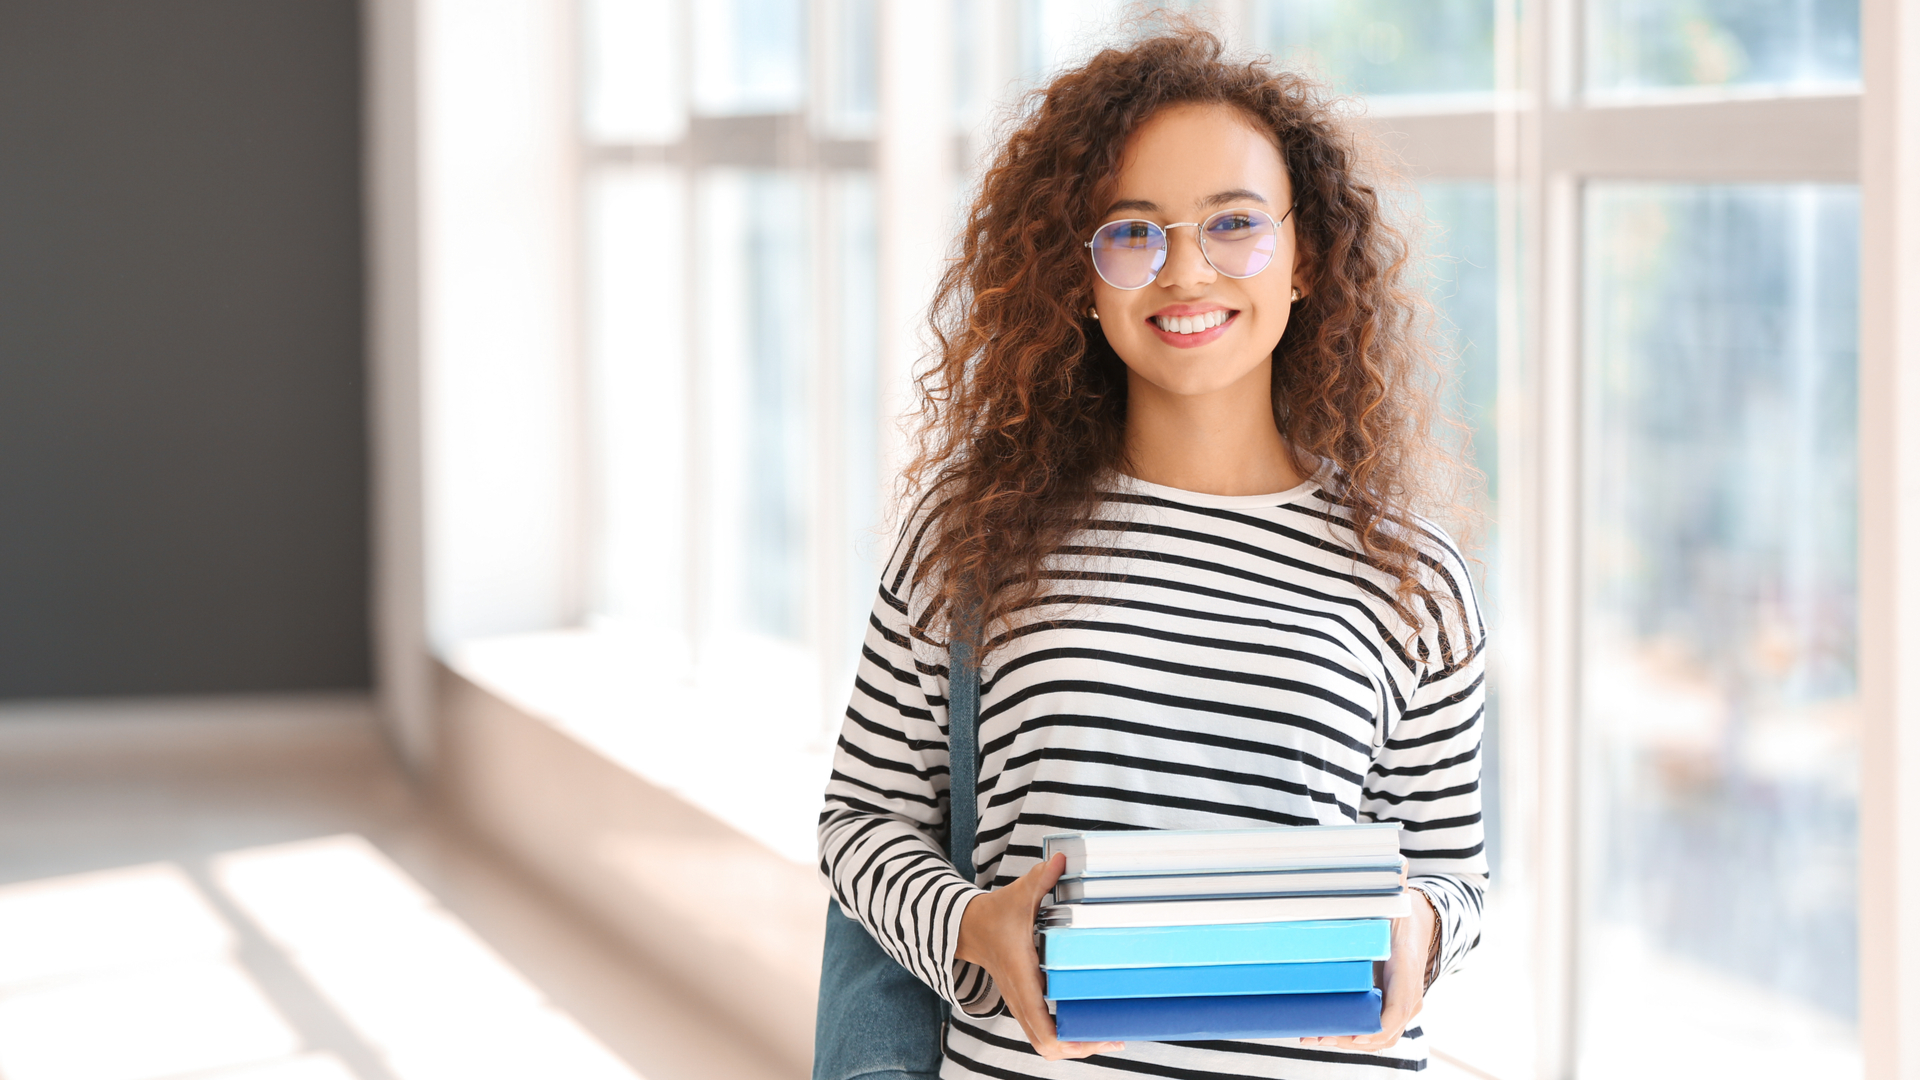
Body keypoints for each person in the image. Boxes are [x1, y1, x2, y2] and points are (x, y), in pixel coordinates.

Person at [817, 23, 1486, 1079]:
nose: (1185, 271)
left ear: (1305, 256)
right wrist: (969, 925)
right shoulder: (974, 529)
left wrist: (1421, 926)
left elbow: (1453, 872)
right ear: (1078, 275)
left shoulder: (1412, 575)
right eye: (1133, 232)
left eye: (1235, 225)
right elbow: (861, 821)